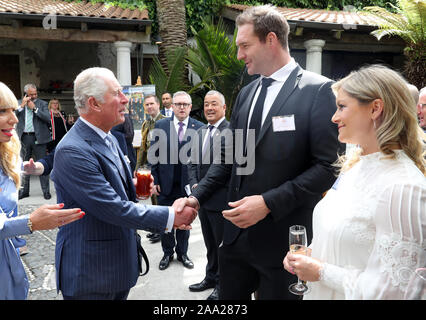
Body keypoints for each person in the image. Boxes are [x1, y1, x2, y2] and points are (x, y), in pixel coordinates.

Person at [174, 5, 343, 299]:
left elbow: (328, 167)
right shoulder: (246, 94)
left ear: (271, 40)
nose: (239, 55)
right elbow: (230, 158)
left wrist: (268, 202)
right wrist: (196, 198)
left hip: (283, 246)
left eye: (244, 45)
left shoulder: (320, 91)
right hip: (236, 241)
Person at [50, 67, 197, 300]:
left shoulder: (107, 136)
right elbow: (112, 207)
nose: (125, 99)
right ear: (94, 103)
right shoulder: (72, 150)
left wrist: (133, 186)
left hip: (115, 267)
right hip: (92, 274)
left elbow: (108, 186)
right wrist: (171, 216)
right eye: (116, 93)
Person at [283, 65, 426, 299]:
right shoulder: (355, 167)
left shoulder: (404, 187)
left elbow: (395, 292)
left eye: (341, 107)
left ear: (375, 109)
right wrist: (308, 257)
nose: (334, 117)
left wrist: (321, 271)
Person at [0, 79, 84, 300]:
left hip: (9, 276)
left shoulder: (8, 160)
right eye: (2, 111)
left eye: (14, 110)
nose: (15, 119)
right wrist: (28, 224)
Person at [150, 91, 203, 271]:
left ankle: (182, 253)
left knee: (184, 220)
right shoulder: (160, 125)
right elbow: (154, 155)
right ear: (171, 106)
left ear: (190, 107)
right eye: (178, 104)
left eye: (185, 104)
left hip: (187, 185)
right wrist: (155, 179)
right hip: (165, 183)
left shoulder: (199, 128)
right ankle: (167, 253)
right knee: (166, 221)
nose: (181, 107)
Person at [187, 90, 229, 300]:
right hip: (202, 200)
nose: (209, 108)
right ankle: (210, 277)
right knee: (209, 243)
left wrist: (200, 190)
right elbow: (192, 162)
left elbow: (221, 170)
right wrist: (195, 186)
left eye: (214, 104)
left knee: (222, 246)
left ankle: (223, 285)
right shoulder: (200, 132)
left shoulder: (231, 132)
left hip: (221, 200)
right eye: (206, 104)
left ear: (224, 108)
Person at [137, 94, 166, 244]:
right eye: (146, 105)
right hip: (149, 164)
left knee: (160, 196)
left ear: (158, 105)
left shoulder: (165, 122)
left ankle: (163, 229)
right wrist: (138, 168)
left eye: (151, 104)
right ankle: (158, 229)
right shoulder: (146, 124)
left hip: (161, 166)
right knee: (152, 197)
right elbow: (143, 147)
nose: (149, 107)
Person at [16, 83, 52, 200]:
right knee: (24, 166)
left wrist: (35, 109)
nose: (34, 96)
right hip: (23, 138)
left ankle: (46, 191)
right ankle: (24, 191)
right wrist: (21, 106)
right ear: (26, 94)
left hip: (39, 138)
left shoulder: (42, 104)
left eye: (35, 93)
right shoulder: (18, 103)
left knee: (41, 164)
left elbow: (48, 118)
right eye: (31, 94)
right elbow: (12, 116)